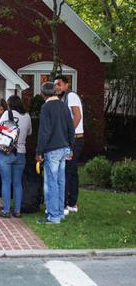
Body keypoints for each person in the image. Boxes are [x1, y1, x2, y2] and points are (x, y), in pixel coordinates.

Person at [36, 82, 75, 224]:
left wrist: (39, 151)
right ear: (55, 92)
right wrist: (71, 147)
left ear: (43, 94)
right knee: (60, 182)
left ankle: (53, 216)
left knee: (52, 183)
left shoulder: (46, 107)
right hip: (64, 148)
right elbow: (71, 128)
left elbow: (44, 131)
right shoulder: (64, 106)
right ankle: (59, 212)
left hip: (52, 149)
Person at [0, 95, 32, 218]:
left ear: (10, 104)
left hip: (6, 151)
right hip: (21, 152)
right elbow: (30, 132)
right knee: (17, 183)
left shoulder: (6, 114)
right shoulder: (27, 116)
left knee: (6, 182)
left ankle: (6, 210)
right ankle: (17, 210)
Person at [55, 75, 84, 214]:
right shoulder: (63, 98)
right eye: (55, 84)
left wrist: (68, 135)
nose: (57, 87)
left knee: (67, 171)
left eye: (59, 84)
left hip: (74, 139)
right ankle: (72, 203)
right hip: (73, 139)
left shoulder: (71, 96)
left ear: (67, 85)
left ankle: (66, 204)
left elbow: (77, 116)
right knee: (72, 172)